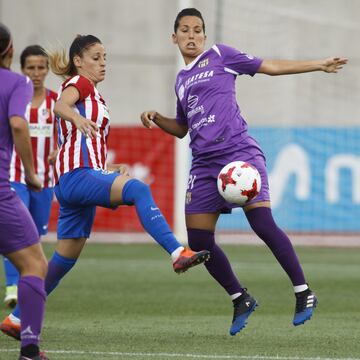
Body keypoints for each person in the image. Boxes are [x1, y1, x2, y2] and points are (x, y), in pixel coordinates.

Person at [140, 8, 348, 336]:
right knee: (197, 239)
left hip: (239, 153)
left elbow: (269, 66)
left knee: (262, 222)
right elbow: (182, 128)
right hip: (205, 164)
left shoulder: (221, 55)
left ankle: (303, 291)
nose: (191, 35)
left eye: (197, 30)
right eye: (184, 30)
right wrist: (158, 118)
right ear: (174, 37)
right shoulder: (181, 80)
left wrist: (318, 64)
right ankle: (240, 298)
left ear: (204, 36)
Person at [1, 33, 210, 341]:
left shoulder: (96, 97)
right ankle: (177, 252)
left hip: (76, 178)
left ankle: (18, 319)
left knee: (64, 258)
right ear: (78, 62)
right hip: (76, 176)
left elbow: (78, 142)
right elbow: (60, 106)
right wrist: (76, 118)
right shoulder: (80, 84)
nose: (102, 64)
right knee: (138, 190)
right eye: (96, 58)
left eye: (105, 59)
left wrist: (109, 168)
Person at [0, 23, 49, 360]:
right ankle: (29, 350)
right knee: (34, 263)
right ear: (10, 49)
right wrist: (31, 173)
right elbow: (18, 124)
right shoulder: (16, 83)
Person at [2, 45, 57, 309]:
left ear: (47, 70)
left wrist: (58, 150)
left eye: (41, 68)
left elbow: (64, 136)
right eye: (30, 68)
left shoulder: (56, 102)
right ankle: (12, 286)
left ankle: (29, 285)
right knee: (15, 231)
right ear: (21, 69)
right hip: (15, 175)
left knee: (34, 235)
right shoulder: (15, 95)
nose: (36, 73)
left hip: (44, 180)